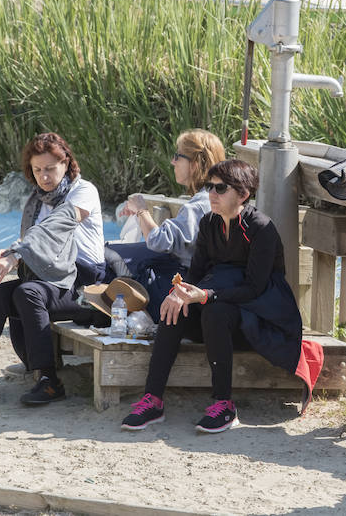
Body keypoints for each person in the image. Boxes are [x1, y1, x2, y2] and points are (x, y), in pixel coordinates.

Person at [120, 159, 318, 433]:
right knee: (174, 307)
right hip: (217, 314)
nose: (212, 194)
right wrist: (180, 292)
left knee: (215, 310)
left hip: (256, 320)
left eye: (221, 188)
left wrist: (206, 296)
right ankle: (152, 399)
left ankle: (224, 405)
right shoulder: (209, 222)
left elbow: (255, 289)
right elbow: (196, 272)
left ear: (243, 195)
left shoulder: (262, 228)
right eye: (210, 187)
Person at [0, 133, 106, 408]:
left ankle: (48, 380)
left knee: (28, 293)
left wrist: (16, 253)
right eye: (37, 170)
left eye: (50, 169)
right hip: (48, 278)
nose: (44, 176)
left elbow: (57, 225)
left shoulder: (83, 192)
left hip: (84, 285)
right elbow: (37, 247)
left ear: (66, 164)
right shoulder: (36, 199)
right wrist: (12, 255)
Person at [105, 129, 226, 322]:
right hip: (199, 290)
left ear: (195, 164)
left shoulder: (200, 204)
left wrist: (141, 210)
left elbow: (158, 241)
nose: (173, 162)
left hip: (185, 293)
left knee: (112, 265)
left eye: (178, 156)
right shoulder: (209, 199)